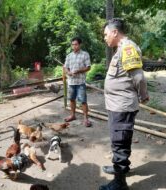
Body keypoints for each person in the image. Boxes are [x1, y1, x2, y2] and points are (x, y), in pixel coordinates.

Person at [100, 18, 149, 190]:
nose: (105, 38)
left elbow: (138, 77)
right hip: (117, 105)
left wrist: (143, 96)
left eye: (106, 34)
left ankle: (120, 183)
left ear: (114, 32)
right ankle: (119, 170)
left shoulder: (127, 48)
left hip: (122, 106)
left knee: (119, 142)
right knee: (120, 140)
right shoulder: (121, 48)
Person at [64, 37, 92, 127]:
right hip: (71, 82)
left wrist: (79, 71)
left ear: (80, 45)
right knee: (72, 99)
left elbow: (88, 67)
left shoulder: (85, 54)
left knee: (83, 100)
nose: (74, 46)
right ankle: (73, 115)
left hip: (80, 82)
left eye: (76, 44)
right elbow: (65, 67)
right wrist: (68, 72)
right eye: (72, 44)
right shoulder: (69, 56)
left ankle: (86, 119)